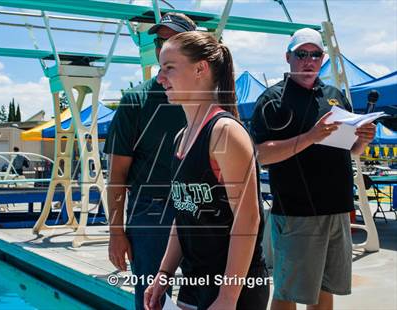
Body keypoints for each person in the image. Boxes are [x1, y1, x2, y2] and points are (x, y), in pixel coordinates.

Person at [250, 28, 376, 310]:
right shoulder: (272, 100)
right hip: (297, 214)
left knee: (324, 289)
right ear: (288, 57)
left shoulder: (333, 96)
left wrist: (362, 141)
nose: (309, 60)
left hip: (337, 209)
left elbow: (350, 150)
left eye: (316, 54)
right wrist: (310, 136)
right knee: (288, 292)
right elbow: (261, 155)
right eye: (301, 54)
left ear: (322, 59)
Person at [144, 31, 269, 310]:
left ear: (200, 68)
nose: (160, 78)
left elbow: (248, 219)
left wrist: (227, 297)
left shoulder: (224, 132)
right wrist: (163, 274)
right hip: (193, 286)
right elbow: (184, 213)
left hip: (235, 291)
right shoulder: (181, 137)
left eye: (169, 69)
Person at [104, 13, 196, 310]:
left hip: (200, 208)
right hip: (151, 214)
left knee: (204, 294)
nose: (163, 46)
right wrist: (116, 233)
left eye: (171, 39)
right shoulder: (135, 101)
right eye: (159, 40)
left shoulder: (208, 99)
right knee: (153, 300)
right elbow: (117, 173)